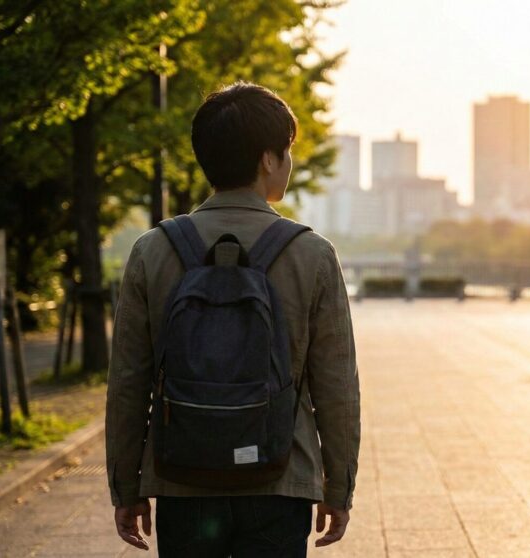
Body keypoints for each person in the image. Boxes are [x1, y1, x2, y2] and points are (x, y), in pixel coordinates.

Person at [105, 82, 360, 557]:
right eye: (286, 151)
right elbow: (337, 386)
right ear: (267, 159)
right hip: (280, 478)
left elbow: (128, 381)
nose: (289, 162)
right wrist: (337, 486)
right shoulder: (312, 254)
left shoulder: (153, 250)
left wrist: (127, 486)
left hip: (182, 476)